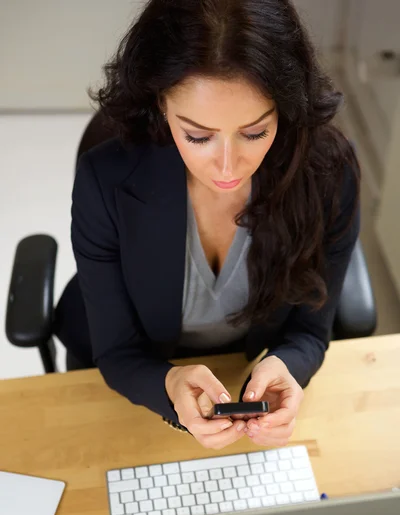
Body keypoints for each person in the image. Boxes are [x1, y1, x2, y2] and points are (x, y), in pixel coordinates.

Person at [56, 0, 360, 450]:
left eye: (255, 132)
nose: (226, 166)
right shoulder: (107, 180)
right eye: (197, 136)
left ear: (287, 106)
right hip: (138, 384)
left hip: (246, 376)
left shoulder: (328, 172)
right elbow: (118, 353)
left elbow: (310, 332)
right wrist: (167, 385)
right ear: (160, 104)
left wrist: (288, 366)